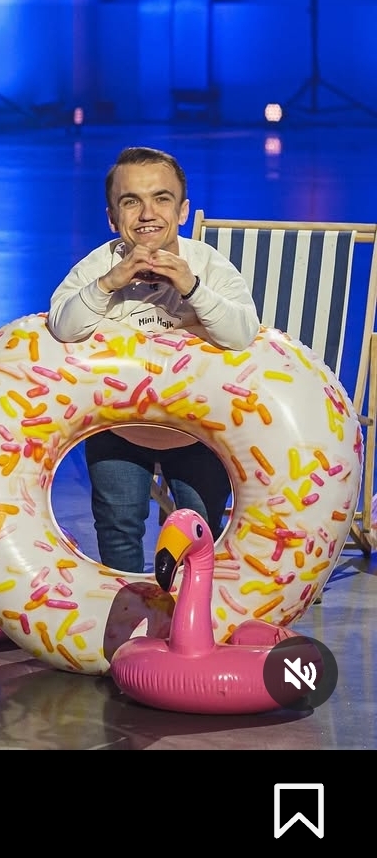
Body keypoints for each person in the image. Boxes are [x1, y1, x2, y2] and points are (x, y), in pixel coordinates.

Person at [47, 146, 260, 574]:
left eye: (161, 199)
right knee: (117, 528)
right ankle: (129, 607)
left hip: (198, 431)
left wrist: (192, 287)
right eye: (131, 202)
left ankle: (189, 607)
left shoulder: (208, 265)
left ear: (182, 211)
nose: (147, 213)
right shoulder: (99, 265)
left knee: (202, 531)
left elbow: (242, 334)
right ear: (112, 217)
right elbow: (62, 326)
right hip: (119, 427)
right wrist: (109, 283)